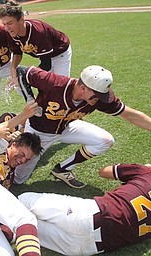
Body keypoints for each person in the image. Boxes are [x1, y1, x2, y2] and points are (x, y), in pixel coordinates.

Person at [13, 65, 151, 188]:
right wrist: (29, 99)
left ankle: (63, 169)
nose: (100, 99)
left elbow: (131, 115)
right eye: (97, 95)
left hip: (67, 126)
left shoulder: (96, 99)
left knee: (105, 140)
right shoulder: (55, 83)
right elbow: (22, 71)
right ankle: (14, 132)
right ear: (83, 88)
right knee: (18, 179)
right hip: (38, 133)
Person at [18, 163, 151, 255]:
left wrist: (143, 168)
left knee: (24, 199)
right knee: (25, 227)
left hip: (87, 216)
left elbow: (104, 172)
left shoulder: (147, 173)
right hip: (85, 248)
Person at [0, 0, 72, 87]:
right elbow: (17, 53)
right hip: (45, 57)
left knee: (61, 86)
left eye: (10, 23)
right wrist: (13, 72)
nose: (6, 28)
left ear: (21, 20)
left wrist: (27, 76)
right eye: (4, 24)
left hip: (60, 53)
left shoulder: (38, 31)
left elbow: (46, 65)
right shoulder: (11, 32)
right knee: (46, 87)